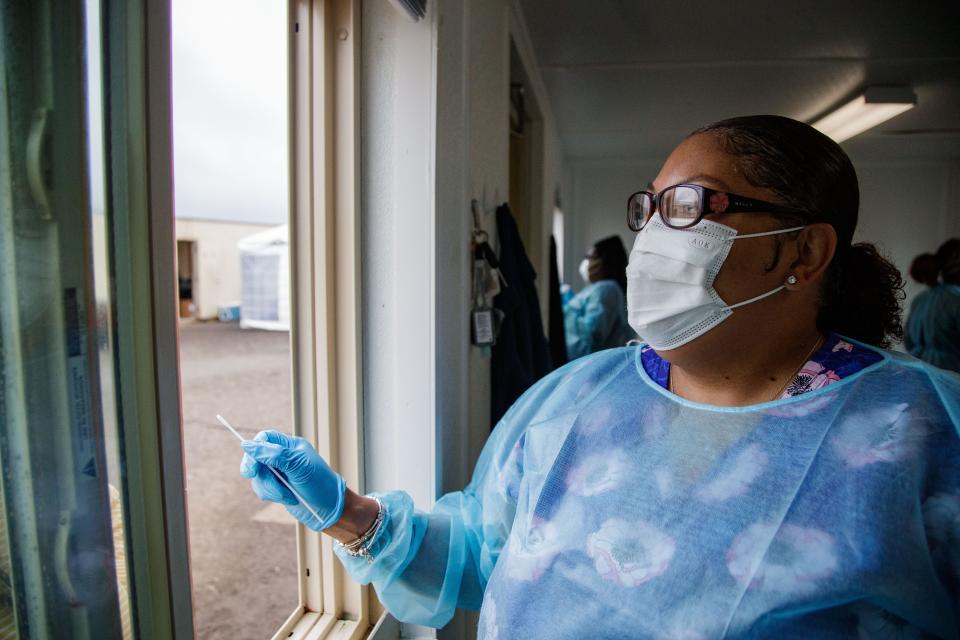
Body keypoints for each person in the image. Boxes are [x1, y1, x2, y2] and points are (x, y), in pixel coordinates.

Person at [240, 116, 960, 638]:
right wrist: (350, 516)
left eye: (690, 207)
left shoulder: (921, 439)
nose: (652, 237)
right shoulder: (579, 398)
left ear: (802, 249)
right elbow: (476, 558)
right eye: (651, 207)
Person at [563, 235, 635, 359]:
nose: (587, 263)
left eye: (591, 257)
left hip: (590, 366)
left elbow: (592, 337)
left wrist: (569, 311)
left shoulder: (606, 289)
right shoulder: (606, 289)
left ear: (605, 261)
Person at [905, 239, 960, 372]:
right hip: (950, 381)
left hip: (918, 376)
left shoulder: (920, 300)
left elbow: (908, 341)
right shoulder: (956, 301)